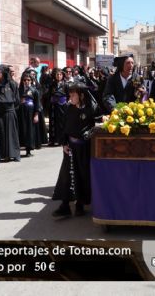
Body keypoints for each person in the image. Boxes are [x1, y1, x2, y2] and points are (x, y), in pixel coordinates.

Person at [52, 82, 99, 218]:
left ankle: (80, 205)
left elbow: (97, 126)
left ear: (81, 95)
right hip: (70, 148)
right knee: (67, 177)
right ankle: (65, 205)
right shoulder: (68, 108)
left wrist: (89, 134)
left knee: (82, 177)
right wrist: (64, 143)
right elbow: (64, 127)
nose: (70, 96)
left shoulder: (91, 108)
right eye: (70, 93)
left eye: (73, 94)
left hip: (84, 148)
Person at [0, 64, 21, 162]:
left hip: (10, 112)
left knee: (12, 134)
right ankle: (3, 155)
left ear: (3, 73)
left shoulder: (11, 84)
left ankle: (15, 154)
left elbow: (17, 99)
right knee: (1, 134)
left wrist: (11, 109)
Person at [18, 71, 41, 157]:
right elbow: (15, 100)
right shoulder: (19, 90)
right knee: (21, 130)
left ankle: (28, 150)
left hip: (30, 112)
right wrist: (20, 101)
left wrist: (36, 114)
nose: (26, 81)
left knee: (29, 130)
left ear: (31, 81)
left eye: (28, 80)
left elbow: (37, 103)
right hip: (21, 112)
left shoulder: (34, 90)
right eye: (24, 80)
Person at [48, 68, 68, 146]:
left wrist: (66, 102)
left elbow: (68, 95)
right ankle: (54, 139)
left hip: (63, 105)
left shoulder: (65, 84)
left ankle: (62, 140)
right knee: (54, 122)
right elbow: (49, 94)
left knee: (62, 122)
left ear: (62, 75)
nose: (59, 76)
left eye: (60, 74)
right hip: (54, 106)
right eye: (57, 74)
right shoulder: (52, 84)